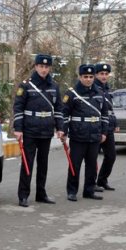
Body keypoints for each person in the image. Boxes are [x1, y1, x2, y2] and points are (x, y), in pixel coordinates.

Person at [13, 54, 64, 207]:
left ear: (49, 68)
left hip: (46, 129)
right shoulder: (26, 85)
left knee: (43, 164)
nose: (43, 69)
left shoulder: (54, 86)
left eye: (46, 67)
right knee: (27, 163)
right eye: (41, 66)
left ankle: (41, 194)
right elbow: (18, 108)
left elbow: (59, 109)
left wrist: (60, 127)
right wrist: (18, 129)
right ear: (35, 67)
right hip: (29, 129)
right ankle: (23, 195)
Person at [61, 64, 108, 202]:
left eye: (91, 77)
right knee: (74, 164)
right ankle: (72, 191)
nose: (88, 79)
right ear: (80, 77)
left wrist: (104, 132)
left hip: (95, 134)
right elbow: (64, 114)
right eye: (85, 77)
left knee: (92, 165)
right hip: (78, 135)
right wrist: (63, 131)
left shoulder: (99, 93)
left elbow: (104, 114)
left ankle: (89, 190)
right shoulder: (72, 93)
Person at [94, 63, 118, 191]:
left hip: (108, 127)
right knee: (92, 157)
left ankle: (102, 180)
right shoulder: (93, 88)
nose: (104, 76)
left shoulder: (107, 89)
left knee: (111, 155)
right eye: (101, 74)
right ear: (96, 75)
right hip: (96, 126)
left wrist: (115, 123)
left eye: (106, 74)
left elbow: (110, 109)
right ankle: (91, 183)